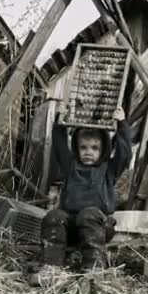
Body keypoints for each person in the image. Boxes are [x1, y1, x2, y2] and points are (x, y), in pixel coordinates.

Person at [39, 106, 132, 274]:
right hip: (72, 225)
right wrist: (61, 121)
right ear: (76, 148)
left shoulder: (109, 170)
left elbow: (124, 154)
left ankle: (94, 267)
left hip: (99, 227)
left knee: (88, 214)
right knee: (54, 216)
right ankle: (51, 266)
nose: (88, 152)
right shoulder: (71, 166)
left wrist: (122, 124)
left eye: (94, 148)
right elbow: (59, 146)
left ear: (103, 150)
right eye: (83, 147)